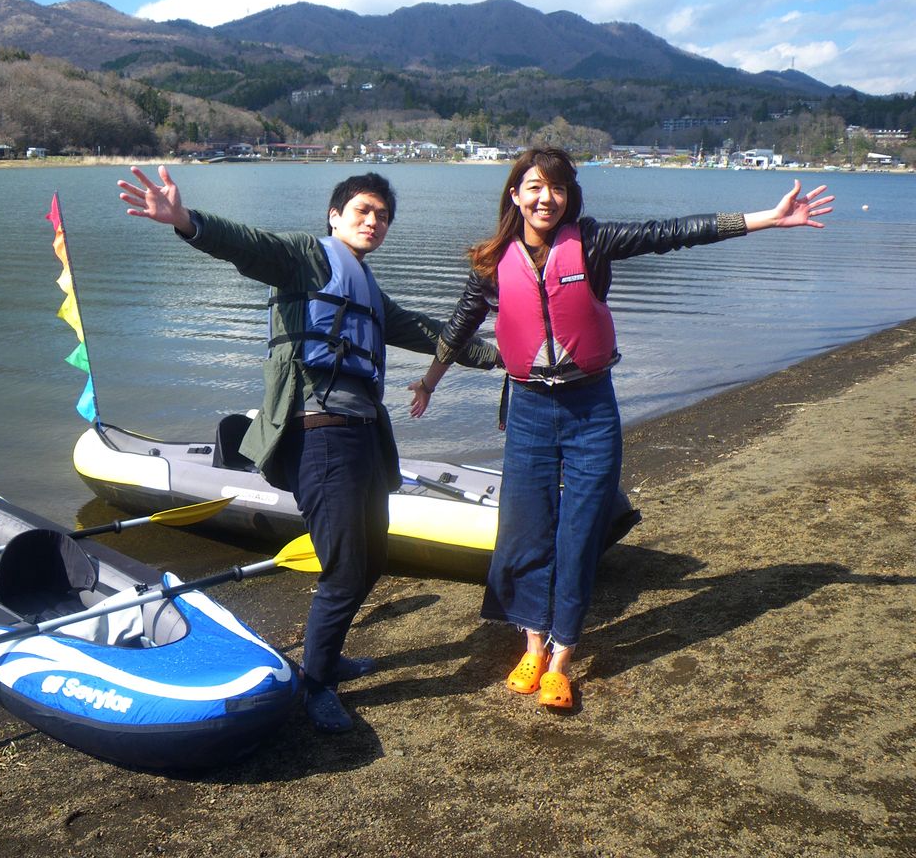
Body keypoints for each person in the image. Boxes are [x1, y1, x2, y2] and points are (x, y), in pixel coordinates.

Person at [408, 146, 832, 711]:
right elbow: (460, 326)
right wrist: (429, 382)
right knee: (525, 529)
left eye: (557, 188)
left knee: (581, 530)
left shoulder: (592, 242)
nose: (546, 198)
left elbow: (672, 233)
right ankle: (532, 645)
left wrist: (766, 219)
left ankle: (562, 657)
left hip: (590, 408)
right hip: (529, 409)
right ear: (515, 194)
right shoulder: (492, 262)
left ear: (569, 196)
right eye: (535, 187)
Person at [118, 165, 497, 733]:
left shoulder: (366, 285)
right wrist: (187, 221)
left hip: (364, 436)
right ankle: (315, 686)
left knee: (370, 560)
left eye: (383, 216)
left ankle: (328, 659)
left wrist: (503, 354)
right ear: (334, 215)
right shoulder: (305, 257)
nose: (374, 222)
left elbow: (429, 333)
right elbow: (248, 245)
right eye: (363, 211)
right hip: (318, 435)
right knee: (344, 567)